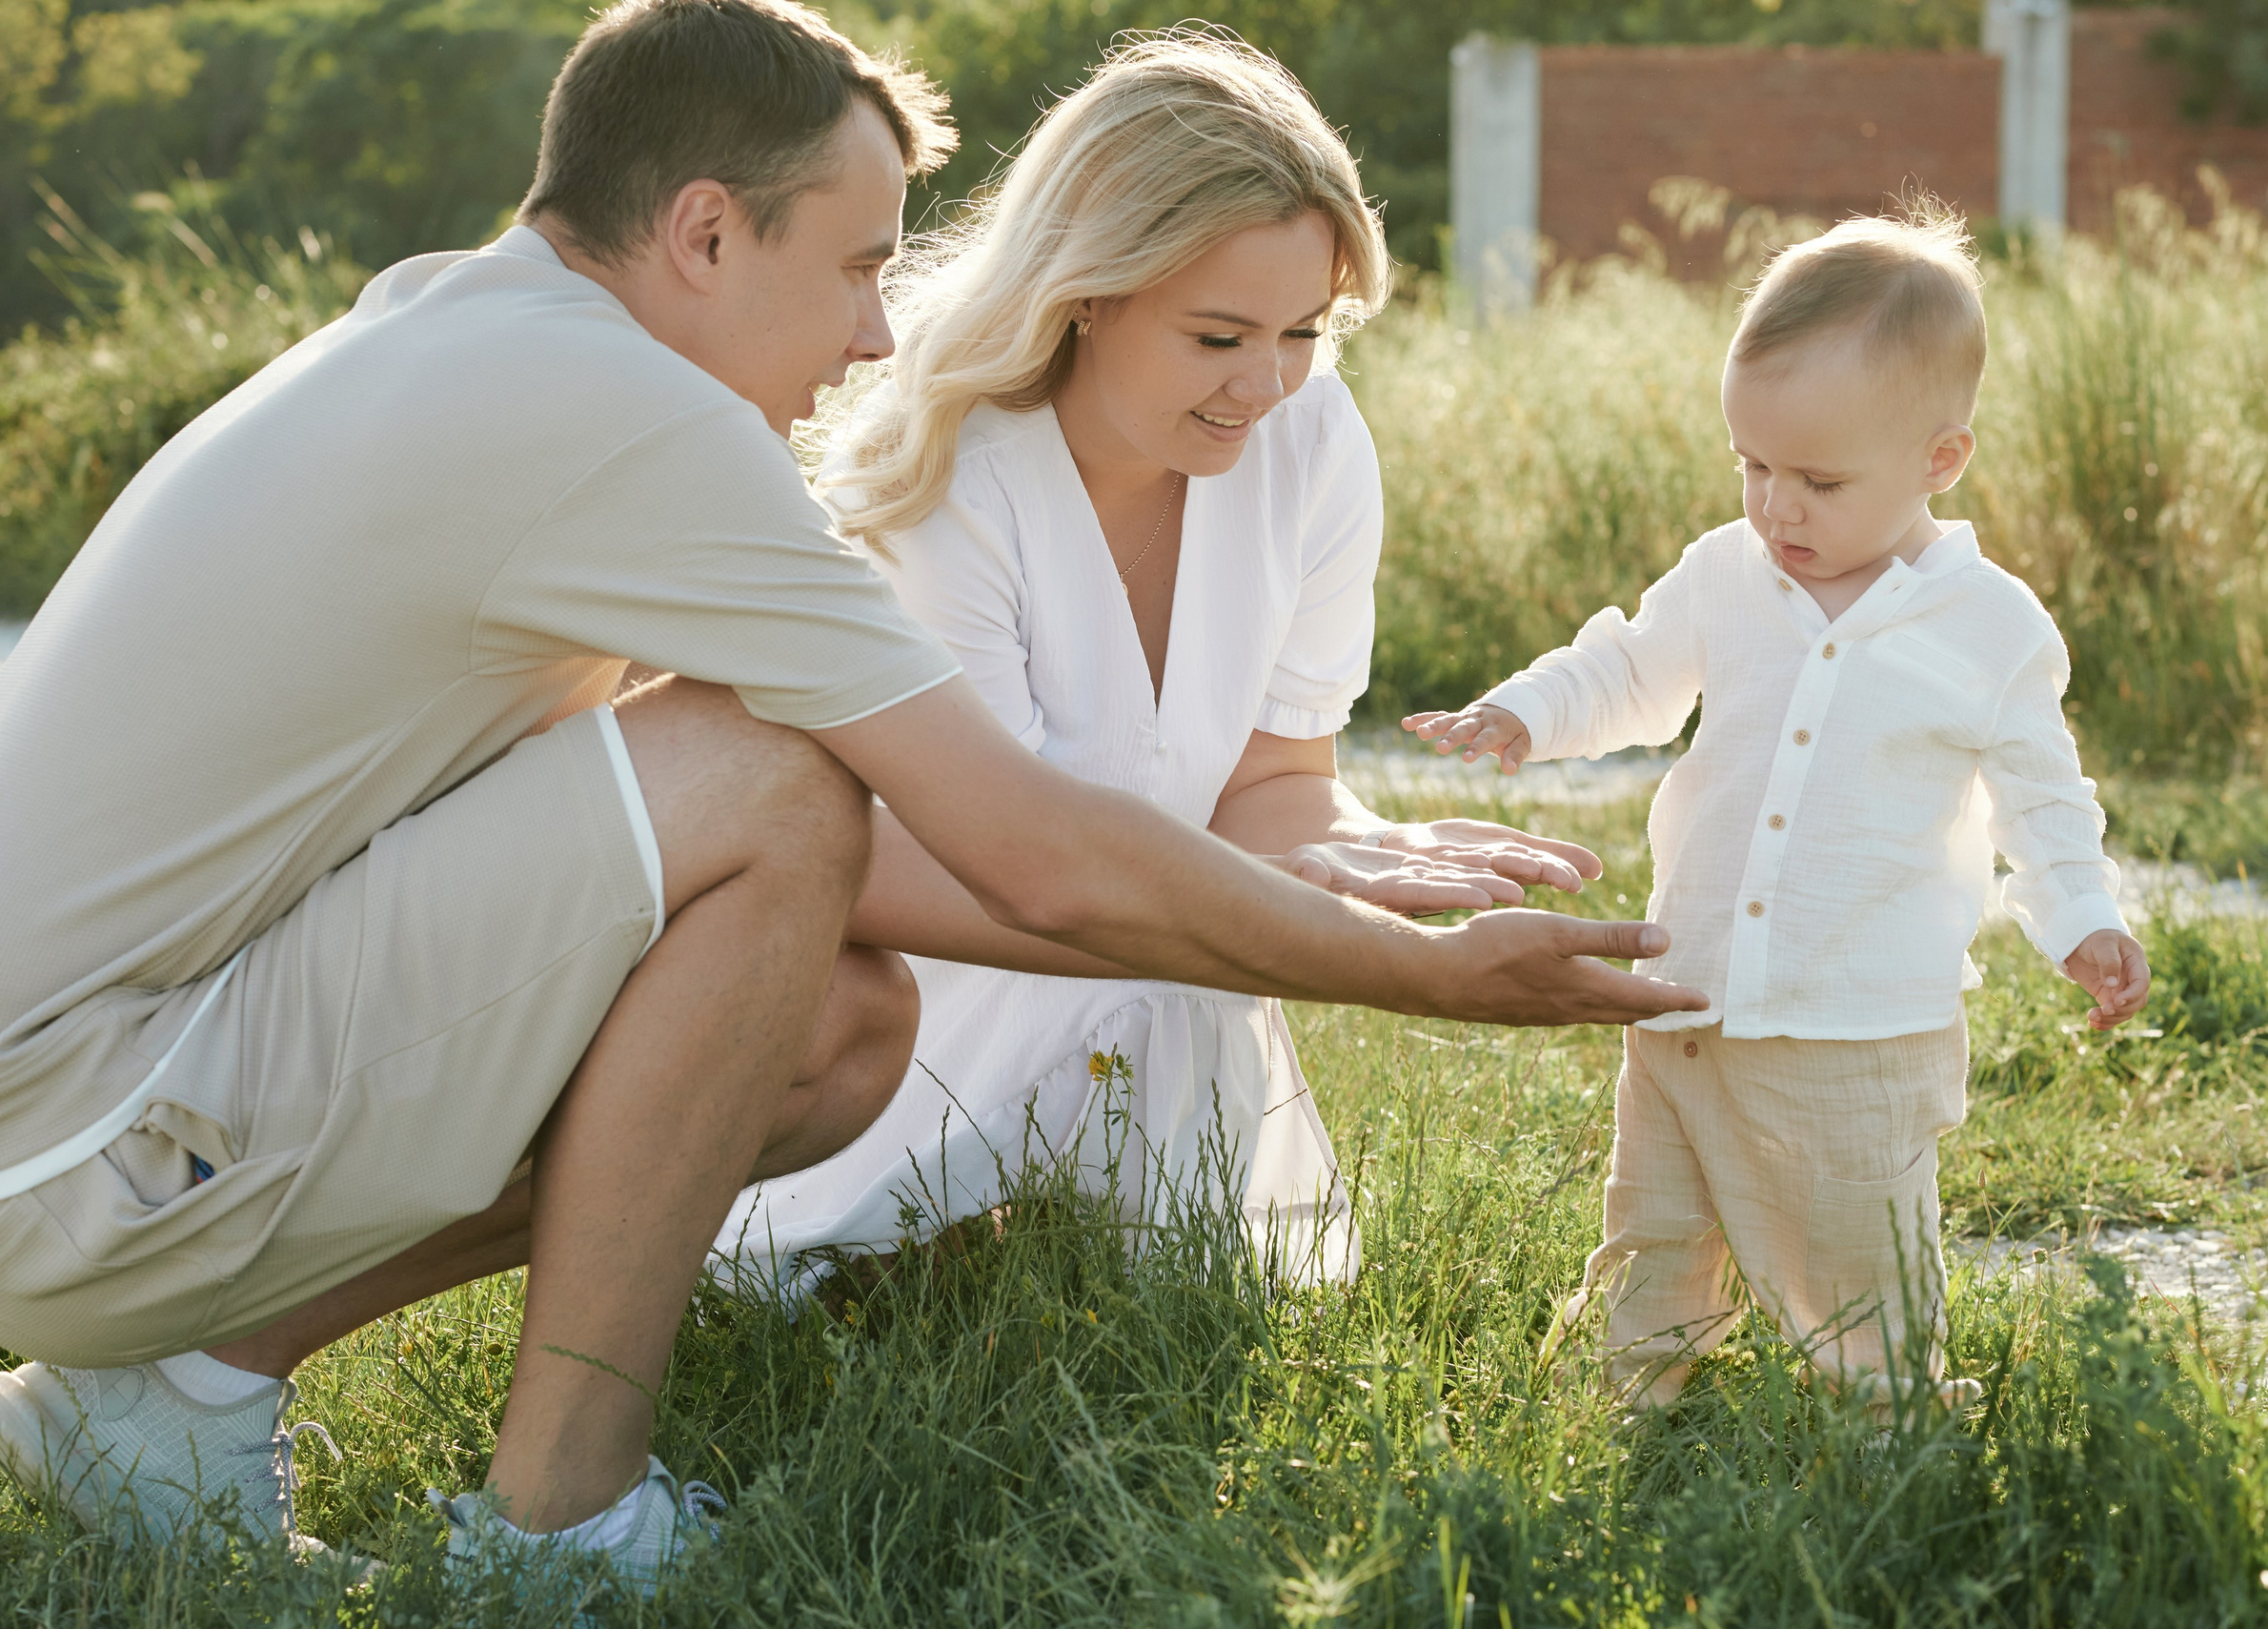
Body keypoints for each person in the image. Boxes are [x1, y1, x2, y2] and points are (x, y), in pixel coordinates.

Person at [0, 0, 1705, 1586]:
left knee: (828, 1029)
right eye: (856, 266)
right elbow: (1020, 847)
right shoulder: (628, 420)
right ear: (705, 232)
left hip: (100, 1103)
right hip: (78, 1140)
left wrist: (1328, 872)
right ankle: (567, 1515)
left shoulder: (467, 329)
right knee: (774, 771)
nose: (882, 326)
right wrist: (1421, 974)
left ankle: (182, 1386)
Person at [719, 35, 1599, 1291]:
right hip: (953, 956)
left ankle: (1069, 1239)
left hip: (1166, 940)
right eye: (1219, 336)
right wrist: (1291, 910)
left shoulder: (1312, 437)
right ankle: (889, 1221)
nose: (1267, 383)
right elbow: (1010, 870)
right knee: (1162, 995)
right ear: (1089, 290)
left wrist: (1349, 850)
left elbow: (1274, 782)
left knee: (1183, 1061)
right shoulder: (953, 476)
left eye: (1303, 330)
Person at [1407, 205, 2152, 1410]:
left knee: (1856, 1262)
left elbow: (2044, 798)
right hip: (1687, 996)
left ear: (1939, 459)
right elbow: (1628, 668)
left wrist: (2081, 917)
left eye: (1817, 480)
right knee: (1654, 1231)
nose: (1775, 507)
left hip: (1855, 1027)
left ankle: (1889, 1419)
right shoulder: (1726, 573)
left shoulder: (1988, 627)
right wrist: (1526, 710)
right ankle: (1636, 1400)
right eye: (1750, 466)